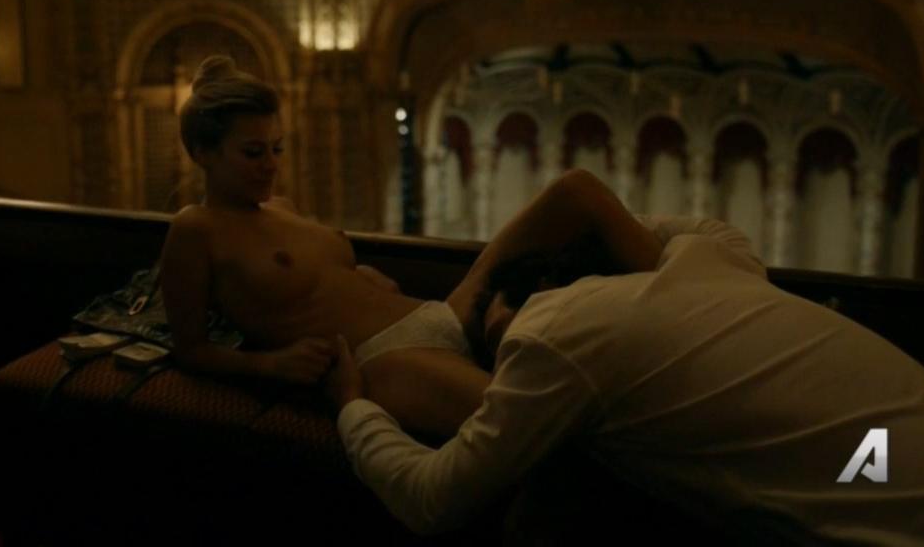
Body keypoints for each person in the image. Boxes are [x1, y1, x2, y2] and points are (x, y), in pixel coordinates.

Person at [324, 173, 924, 544]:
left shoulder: (554, 334)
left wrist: (354, 408)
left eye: (494, 345)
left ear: (519, 308)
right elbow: (581, 197)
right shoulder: (715, 257)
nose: (501, 371)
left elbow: (432, 498)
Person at [158, 55, 647, 438]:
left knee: (576, 191)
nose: (270, 164)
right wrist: (268, 364)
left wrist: (359, 275)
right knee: (543, 421)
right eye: (252, 152)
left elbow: (320, 280)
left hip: (435, 314)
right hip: (383, 360)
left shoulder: (281, 207)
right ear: (203, 152)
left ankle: (673, 286)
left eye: (276, 148)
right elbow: (191, 349)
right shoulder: (195, 229)